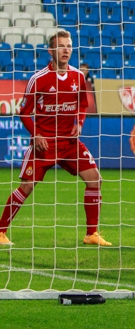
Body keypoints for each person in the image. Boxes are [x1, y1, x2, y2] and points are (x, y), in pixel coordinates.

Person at [0, 31, 110, 247]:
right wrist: (36, 134)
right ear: (51, 51)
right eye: (60, 46)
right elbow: (24, 112)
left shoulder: (78, 76)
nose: (66, 50)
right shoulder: (38, 79)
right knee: (27, 187)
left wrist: (79, 122)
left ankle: (91, 234)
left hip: (69, 144)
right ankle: (0, 231)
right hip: (44, 144)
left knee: (95, 180)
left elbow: (82, 106)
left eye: (68, 46)